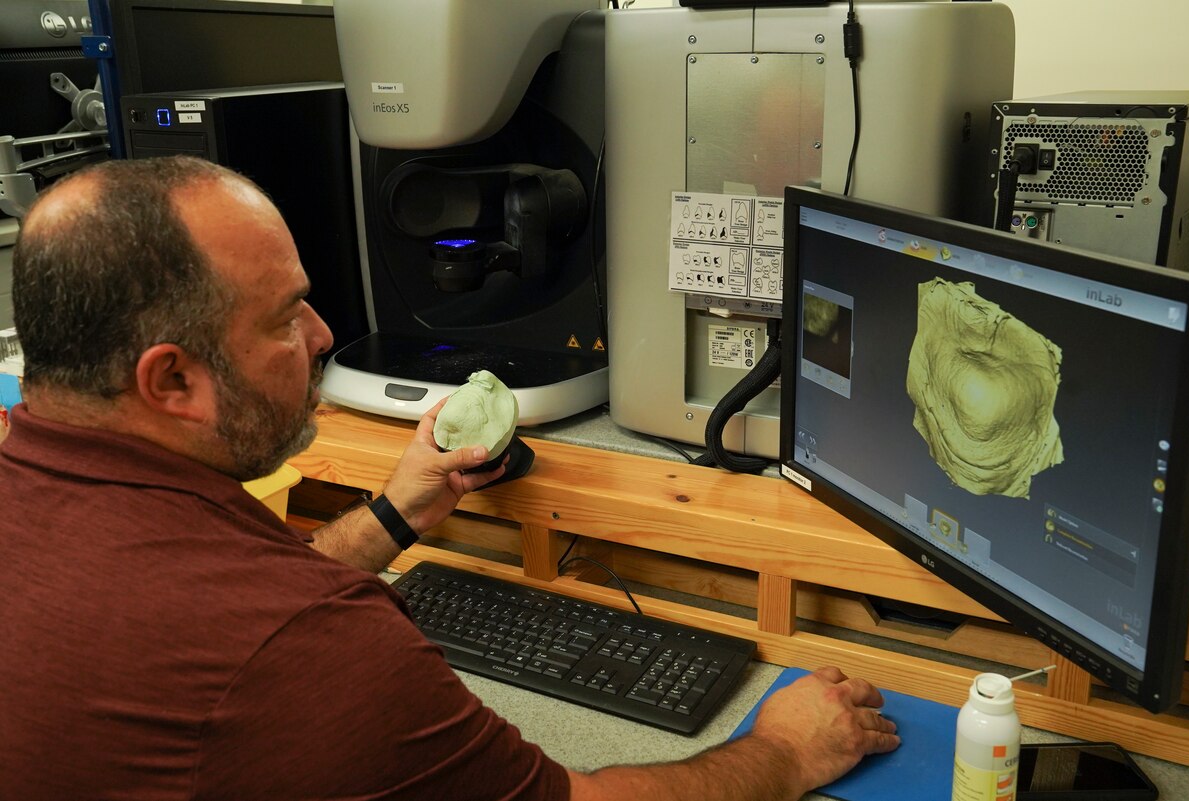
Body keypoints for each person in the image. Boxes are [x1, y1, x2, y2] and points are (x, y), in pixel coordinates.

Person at [0, 156, 898, 800]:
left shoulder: (48, 471)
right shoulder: (310, 651)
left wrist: (394, 512)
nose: (321, 336)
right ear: (171, 381)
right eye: (284, 317)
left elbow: (224, 603)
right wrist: (780, 753)